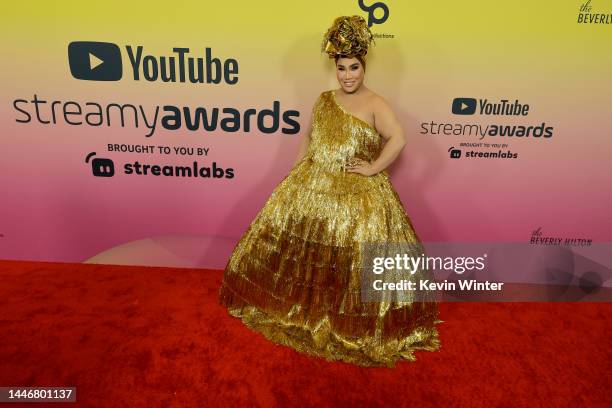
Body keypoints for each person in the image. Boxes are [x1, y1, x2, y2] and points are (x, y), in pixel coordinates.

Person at [218, 15, 441, 367]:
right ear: (334, 68)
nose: (348, 75)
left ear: (363, 67)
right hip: (312, 187)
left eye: (354, 67)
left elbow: (398, 138)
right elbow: (309, 136)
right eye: (342, 68)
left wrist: (372, 167)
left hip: (358, 198)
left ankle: (348, 326)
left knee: (350, 263)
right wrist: (295, 173)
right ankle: (299, 311)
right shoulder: (323, 100)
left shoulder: (375, 103)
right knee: (299, 257)